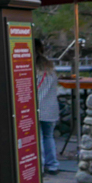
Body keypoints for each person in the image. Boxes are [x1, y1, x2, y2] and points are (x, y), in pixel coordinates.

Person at [35, 39, 60, 175]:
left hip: (36, 106)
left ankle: (40, 165)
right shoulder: (50, 66)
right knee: (48, 136)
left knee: (37, 138)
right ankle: (53, 165)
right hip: (51, 107)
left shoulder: (30, 66)